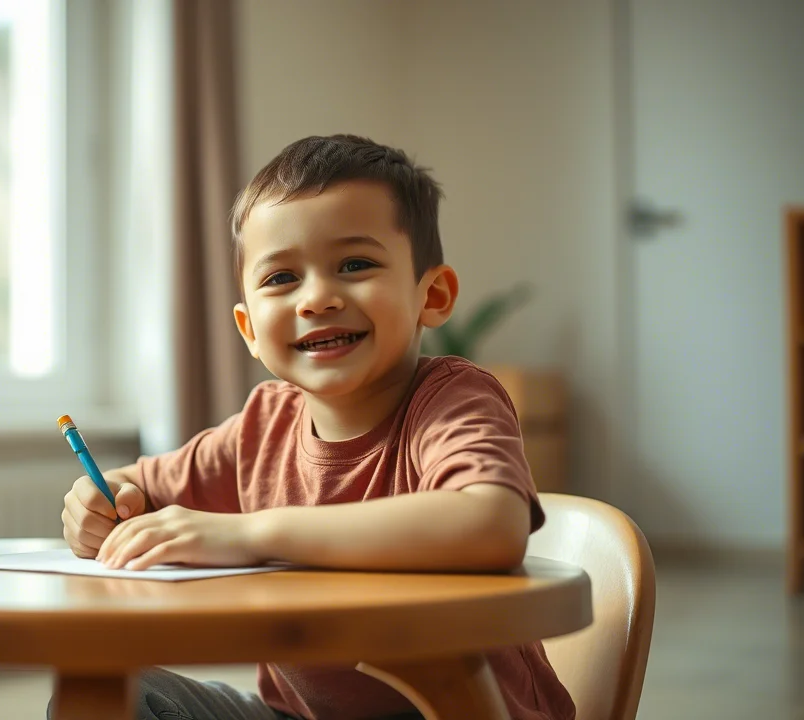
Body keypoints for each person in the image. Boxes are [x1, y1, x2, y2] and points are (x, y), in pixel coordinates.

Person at [56, 134, 575, 720]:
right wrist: (98, 505)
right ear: (249, 330)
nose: (318, 299)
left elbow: (491, 522)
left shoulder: (453, 399)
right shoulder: (262, 425)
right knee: (112, 694)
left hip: (458, 710)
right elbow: (137, 488)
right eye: (281, 279)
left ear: (432, 295)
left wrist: (251, 534)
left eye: (355, 265)